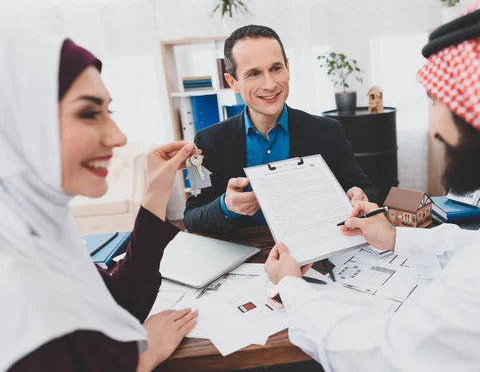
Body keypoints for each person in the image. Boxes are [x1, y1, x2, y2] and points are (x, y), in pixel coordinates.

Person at [264, 0, 480, 371]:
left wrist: (291, 287)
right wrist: (395, 235)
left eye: (438, 102)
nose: (434, 130)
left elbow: (383, 358)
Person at [1, 31, 199, 371]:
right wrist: (142, 359)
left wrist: (155, 192)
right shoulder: (14, 281)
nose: (118, 136)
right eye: (89, 113)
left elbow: (119, 302)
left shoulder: (40, 234)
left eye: (108, 111)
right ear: (20, 124)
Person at [183, 25, 379, 234]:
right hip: (244, 253)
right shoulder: (208, 140)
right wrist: (226, 206)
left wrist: (359, 196)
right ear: (233, 82)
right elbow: (191, 217)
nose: (270, 84)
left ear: (287, 68)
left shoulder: (327, 131)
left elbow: (369, 190)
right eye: (254, 73)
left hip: (315, 251)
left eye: (276, 68)